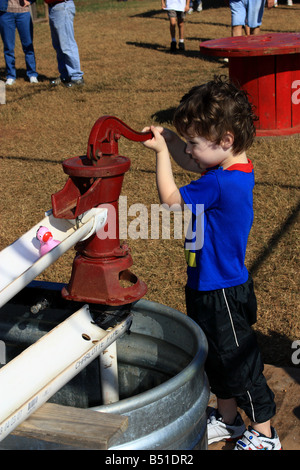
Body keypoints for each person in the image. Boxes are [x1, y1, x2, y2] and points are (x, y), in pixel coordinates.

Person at [142, 76, 282, 450]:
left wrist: (159, 155)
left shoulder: (218, 183)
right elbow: (197, 162)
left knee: (240, 364)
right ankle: (230, 420)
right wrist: (171, 140)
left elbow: (172, 201)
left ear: (225, 141)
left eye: (192, 143)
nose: (188, 151)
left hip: (220, 291)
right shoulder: (233, 168)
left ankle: (265, 433)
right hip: (210, 284)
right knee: (218, 360)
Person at [44, 0, 84, 87]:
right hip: (53, 7)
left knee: (67, 44)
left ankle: (76, 77)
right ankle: (65, 75)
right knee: (58, 45)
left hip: (62, 6)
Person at [0, 0, 38, 85]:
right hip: (6, 12)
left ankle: (32, 74)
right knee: (8, 47)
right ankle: (10, 76)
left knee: (28, 45)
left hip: (23, 12)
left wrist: (30, 1)